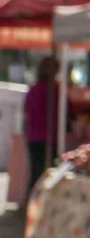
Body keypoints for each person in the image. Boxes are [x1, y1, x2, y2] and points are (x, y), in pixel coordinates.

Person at [22, 56, 57, 187]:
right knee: (44, 175)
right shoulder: (54, 91)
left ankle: (30, 202)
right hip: (47, 138)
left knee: (35, 173)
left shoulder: (34, 89)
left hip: (33, 137)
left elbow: (26, 111)